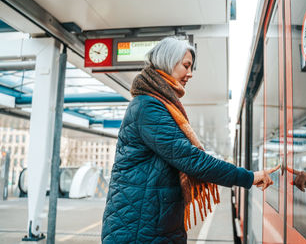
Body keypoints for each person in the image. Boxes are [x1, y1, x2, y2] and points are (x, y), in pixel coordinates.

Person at [101, 37, 280, 244]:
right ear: (168, 62)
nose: (190, 73)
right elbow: (191, 159)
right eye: (186, 66)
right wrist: (248, 177)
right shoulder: (148, 107)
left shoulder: (159, 104)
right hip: (138, 228)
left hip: (151, 223)